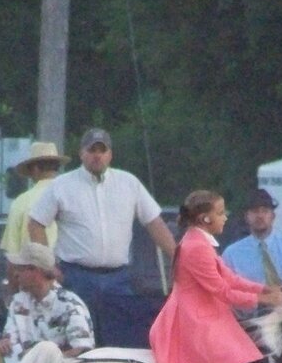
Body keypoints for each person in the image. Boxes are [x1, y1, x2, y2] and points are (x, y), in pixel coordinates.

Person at [148, 190, 282, 363]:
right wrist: (264, 300)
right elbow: (222, 291)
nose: (225, 218)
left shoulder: (201, 243)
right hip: (195, 317)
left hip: (209, 312)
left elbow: (230, 279)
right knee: (236, 361)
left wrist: (264, 289)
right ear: (205, 219)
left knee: (252, 356)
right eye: (220, 213)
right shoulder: (195, 248)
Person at [26, 127, 176, 347]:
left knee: (121, 343)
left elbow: (155, 223)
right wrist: (48, 266)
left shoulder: (129, 183)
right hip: (76, 276)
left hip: (119, 278)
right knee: (78, 342)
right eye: (91, 150)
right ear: (81, 153)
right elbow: (35, 223)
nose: (97, 155)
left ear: (110, 154)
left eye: (102, 150)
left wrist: (178, 258)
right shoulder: (62, 185)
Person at [0, 242, 95, 363]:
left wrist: (41, 360)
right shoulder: (18, 302)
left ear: (36, 271)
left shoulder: (70, 304)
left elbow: (83, 351)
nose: (16, 274)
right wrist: (4, 343)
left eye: (20, 269)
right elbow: (10, 339)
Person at [221, 188, 282, 295]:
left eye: (265, 211)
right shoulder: (231, 254)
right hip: (248, 310)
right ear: (246, 217)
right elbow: (225, 292)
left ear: (273, 216)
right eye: (254, 211)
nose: (260, 216)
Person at [0, 141, 70, 256]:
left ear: (35, 169)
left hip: (33, 270)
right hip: (68, 268)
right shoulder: (71, 196)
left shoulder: (21, 202)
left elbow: (12, 251)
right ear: (57, 167)